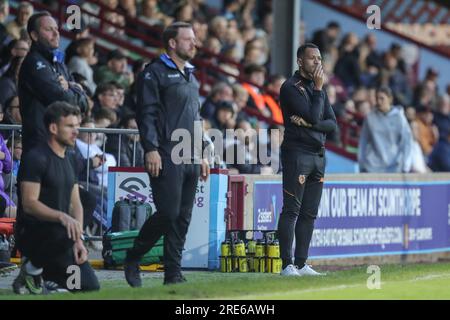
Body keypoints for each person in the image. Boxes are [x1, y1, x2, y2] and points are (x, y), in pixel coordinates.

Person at [124, 22, 209, 287]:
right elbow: (145, 114)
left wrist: (203, 152)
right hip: (165, 152)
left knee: (183, 217)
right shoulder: (154, 73)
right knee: (168, 213)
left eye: (194, 39)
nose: (194, 44)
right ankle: (133, 255)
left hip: (191, 154)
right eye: (188, 39)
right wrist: (150, 149)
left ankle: (173, 273)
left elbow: (195, 117)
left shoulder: (191, 75)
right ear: (172, 43)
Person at [13, 101, 99, 294]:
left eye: (77, 126)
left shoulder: (69, 158)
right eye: (70, 126)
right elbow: (29, 204)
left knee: (88, 286)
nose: (76, 131)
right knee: (59, 233)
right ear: (53, 128)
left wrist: (79, 240)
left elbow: (75, 202)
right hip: (36, 235)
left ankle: (47, 280)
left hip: (63, 236)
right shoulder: (36, 158)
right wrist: (61, 216)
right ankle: (33, 266)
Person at [277, 43, 336, 276]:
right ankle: (286, 264)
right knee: (292, 210)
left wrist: (311, 123)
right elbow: (314, 114)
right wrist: (319, 93)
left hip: (318, 156)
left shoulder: (317, 87)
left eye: (320, 58)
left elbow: (332, 123)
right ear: (300, 61)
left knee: (309, 213)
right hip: (297, 154)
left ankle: (302, 263)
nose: (318, 63)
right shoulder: (291, 87)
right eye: (313, 59)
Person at [18, 11, 88, 155]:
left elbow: (84, 104)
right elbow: (63, 99)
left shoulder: (59, 63)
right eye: (49, 30)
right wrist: (75, 90)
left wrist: (72, 87)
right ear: (34, 35)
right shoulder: (34, 63)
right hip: (41, 145)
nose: (56, 34)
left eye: (56, 29)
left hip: (62, 145)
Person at [358, 86, 413, 173]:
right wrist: (361, 163)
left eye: (382, 98)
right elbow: (363, 141)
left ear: (390, 99)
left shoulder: (399, 117)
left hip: (394, 167)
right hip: (372, 167)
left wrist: (406, 166)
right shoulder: (370, 117)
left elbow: (407, 142)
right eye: (377, 98)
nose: (379, 102)